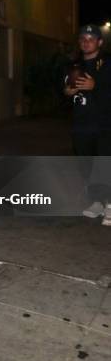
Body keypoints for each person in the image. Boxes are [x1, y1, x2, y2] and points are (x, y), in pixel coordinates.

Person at [64, 24, 111, 224]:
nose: (86, 41)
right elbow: (65, 90)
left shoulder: (107, 64)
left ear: (99, 42)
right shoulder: (75, 65)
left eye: (91, 38)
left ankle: (109, 204)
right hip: (81, 126)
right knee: (86, 166)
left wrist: (95, 86)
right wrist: (68, 92)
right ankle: (97, 202)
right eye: (83, 38)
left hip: (104, 125)